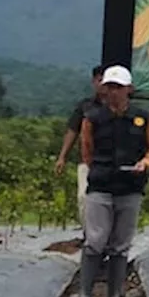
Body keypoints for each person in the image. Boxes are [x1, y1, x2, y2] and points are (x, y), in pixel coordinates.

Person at [73, 66, 149, 297]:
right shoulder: (92, 117)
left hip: (131, 188)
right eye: (109, 87)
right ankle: (84, 296)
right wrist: (99, 170)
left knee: (121, 244)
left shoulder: (143, 117)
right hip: (101, 185)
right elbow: (87, 151)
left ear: (128, 90)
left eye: (118, 88)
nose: (113, 92)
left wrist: (145, 163)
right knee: (95, 240)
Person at [55, 65, 106, 234]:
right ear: (94, 82)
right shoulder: (85, 106)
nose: (103, 84)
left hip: (111, 162)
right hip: (87, 161)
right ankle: (89, 234)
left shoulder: (120, 107)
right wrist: (62, 156)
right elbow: (72, 131)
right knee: (84, 197)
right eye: (100, 80)